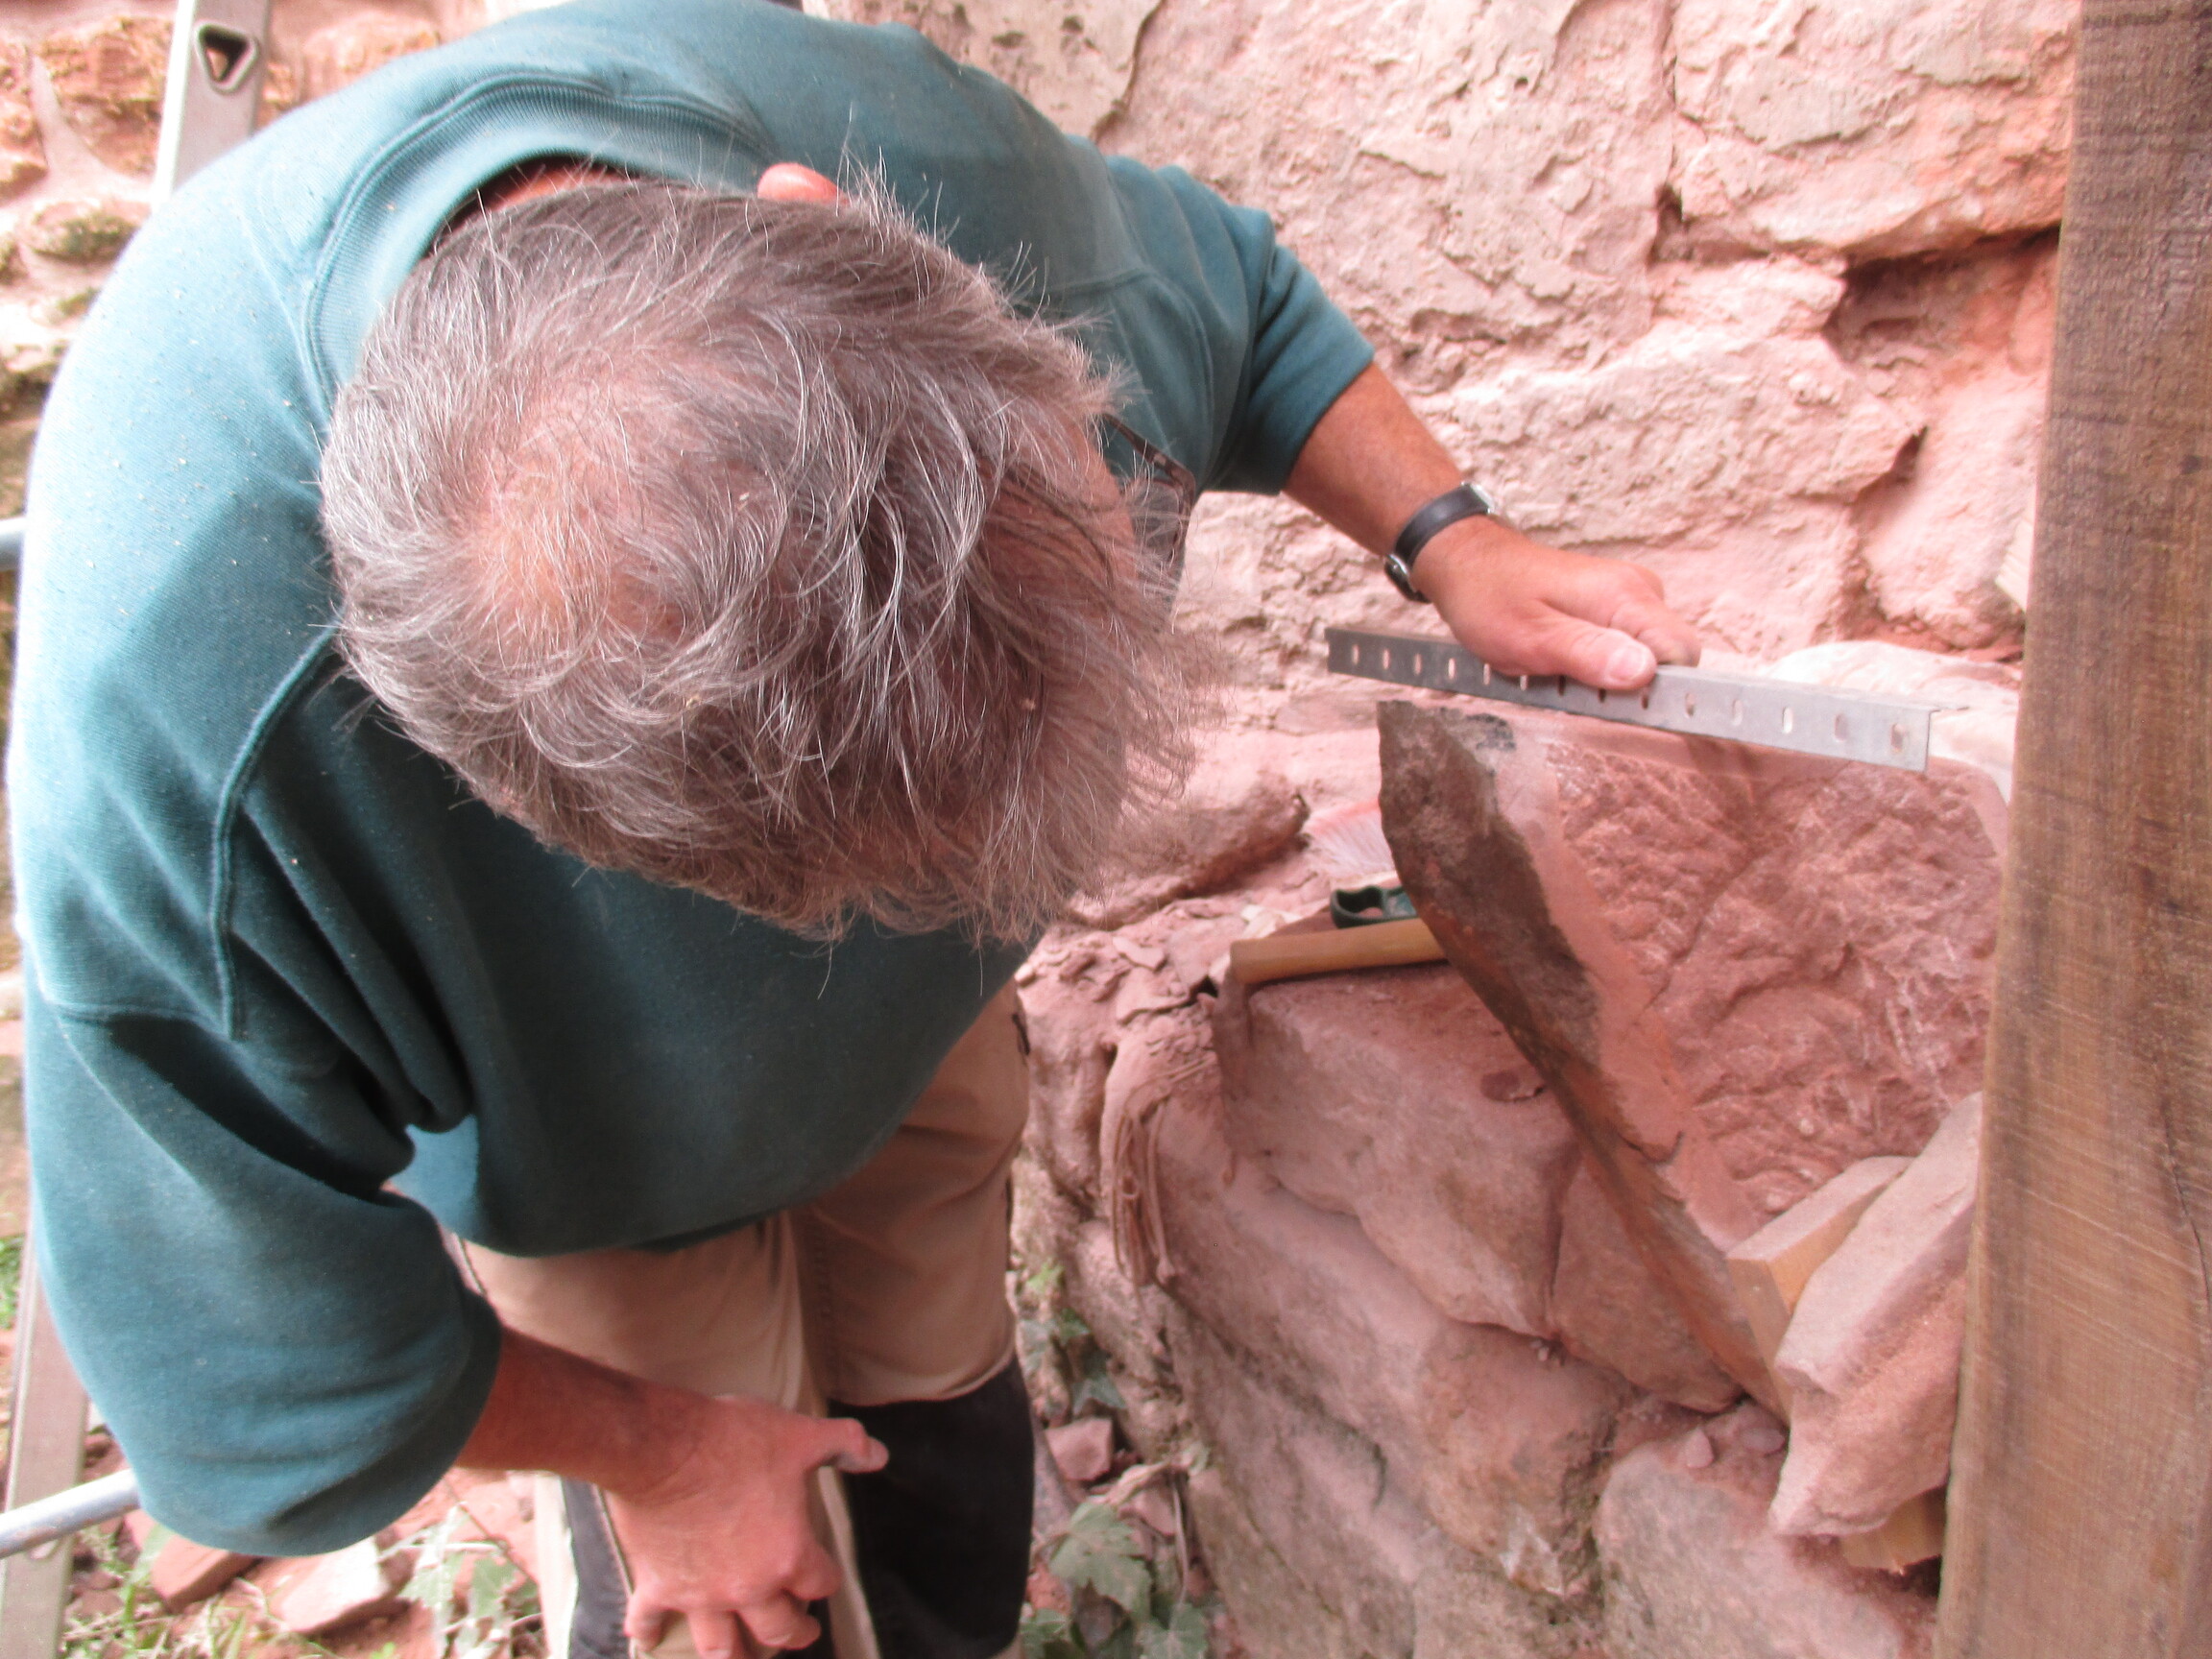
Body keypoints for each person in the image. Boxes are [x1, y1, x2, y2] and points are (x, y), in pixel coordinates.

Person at [9, 3, 1699, 1655]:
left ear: (844, 230)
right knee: (741, 1594)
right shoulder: (189, 748)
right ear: (494, 781)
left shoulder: (941, 171)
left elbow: (1239, 306)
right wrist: (663, 1457)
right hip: (589, 1147)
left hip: (913, 1065)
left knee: (941, 1441)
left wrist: (1451, 537)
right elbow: (261, 1385)